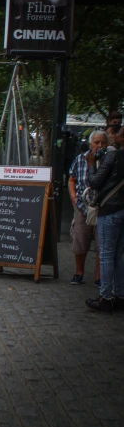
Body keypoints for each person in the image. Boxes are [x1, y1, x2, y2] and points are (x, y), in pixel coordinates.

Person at [85, 126, 124, 312]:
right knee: (117, 254)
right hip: (122, 209)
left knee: (107, 254)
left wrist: (91, 164)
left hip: (110, 209)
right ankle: (120, 294)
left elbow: (94, 182)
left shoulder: (112, 156)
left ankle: (106, 297)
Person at [68, 130, 107, 286]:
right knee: (80, 240)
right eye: (96, 142)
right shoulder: (80, 159)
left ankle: (99, 276)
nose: (99, 145)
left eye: (102, 142)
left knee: (101, 242)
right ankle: (79, 272)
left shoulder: (110, 159)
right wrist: (73, 196)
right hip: (82, 205)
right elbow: (72, 179)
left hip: (103, 206)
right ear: (90, 144)